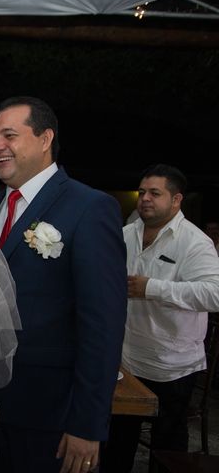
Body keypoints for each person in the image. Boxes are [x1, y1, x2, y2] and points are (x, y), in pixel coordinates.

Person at [0, 96, 128, 473]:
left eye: (9, 135)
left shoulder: (89, 208)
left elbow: (103, 325)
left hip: (51, 415)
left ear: (45, 139)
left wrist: (87, 423)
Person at [101, 164, 219, 472]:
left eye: (155, 193)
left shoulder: (195, 242)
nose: (145, 199)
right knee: (117, 441)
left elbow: (213, 294)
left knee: (167, 448)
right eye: (142, 193)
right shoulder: (125, 235)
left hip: (172, 364)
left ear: (177, 200)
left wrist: (152, 288)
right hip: (126, 359)